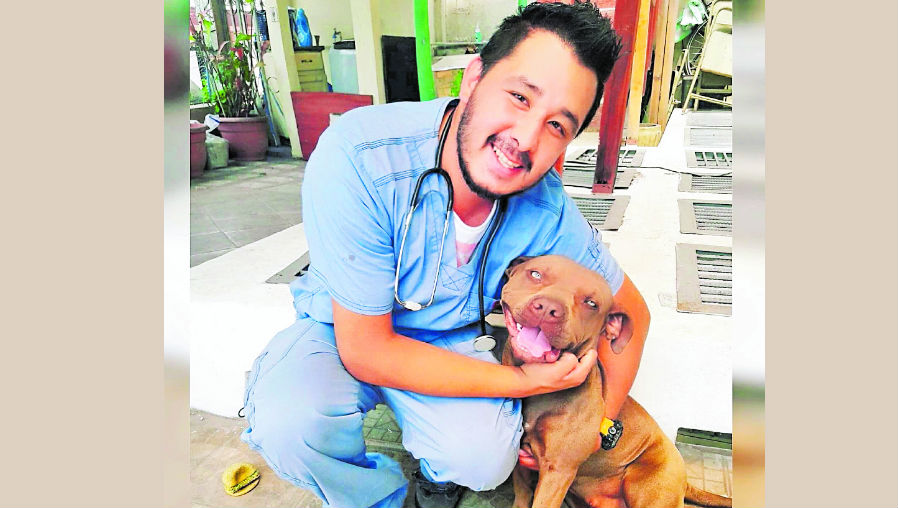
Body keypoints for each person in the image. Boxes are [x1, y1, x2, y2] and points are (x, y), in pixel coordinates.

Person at [240, 2, 650, 507]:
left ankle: (438, 481)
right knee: (291, 421)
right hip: (344, 328)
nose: (525, 140)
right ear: (473, 77)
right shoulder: (359, 157)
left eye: (557, 126)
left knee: (482, 457)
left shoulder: (545, 208)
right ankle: (379, 500)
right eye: (520, 97)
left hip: (450, 341)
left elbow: (632, 312)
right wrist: (519, 381)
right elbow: (367, 349)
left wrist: (598, 425)